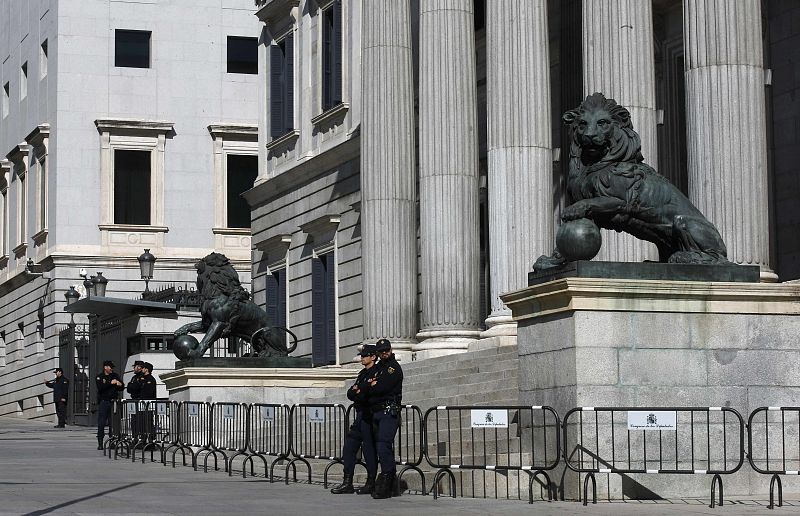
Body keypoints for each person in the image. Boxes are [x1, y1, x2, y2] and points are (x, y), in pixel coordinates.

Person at [330, 344, 378, 495]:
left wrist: (360, 391)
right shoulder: (363, 374)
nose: (362, 358)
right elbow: (351, 393)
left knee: (369, 450)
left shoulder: (377, 371)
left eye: (365, 356)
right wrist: (359, 391)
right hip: (360, 414)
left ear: (373, 357)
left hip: (369, 415)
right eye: (361, 355)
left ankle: (371, 482)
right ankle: (347, 482)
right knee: (349, 447)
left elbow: (366, 393)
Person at [367, 338, 404, 499]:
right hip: (377, 412)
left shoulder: (393, 368)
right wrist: (371, 385)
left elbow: (381, 387)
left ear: (391, 350)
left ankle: (387, 483)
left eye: (386, 350)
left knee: (383, 446)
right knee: (380, 447)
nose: (384, 353)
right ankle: (390, 484)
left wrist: (373, 385)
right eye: (381, 351)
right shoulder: (377, 368)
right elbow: (364, 386)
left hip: (389, 411)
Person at [95, 360, 124, 450]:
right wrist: (110, 383)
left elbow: (121, 387)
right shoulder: (100, 377)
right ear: (105, 367)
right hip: (104, 402)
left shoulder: (115, 376)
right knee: (101, 423)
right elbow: (100, 388)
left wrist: (119, 384)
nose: (111, 369)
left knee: (113, 423)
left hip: (113, 402)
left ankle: (113, 442)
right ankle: (100, 443)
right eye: (110, 367)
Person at [126, 360, 145, 441]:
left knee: (140, 421)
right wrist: (131, 386)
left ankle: (141, 439)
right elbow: (129, 389)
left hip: (139, 400)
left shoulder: (142, 377)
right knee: (133, 421)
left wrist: (131, 386)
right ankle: (135, 438)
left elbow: (136, 388)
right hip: (134, 400)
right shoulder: (134, 377)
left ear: (139, 367)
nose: (134, 368)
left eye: (135, 367)